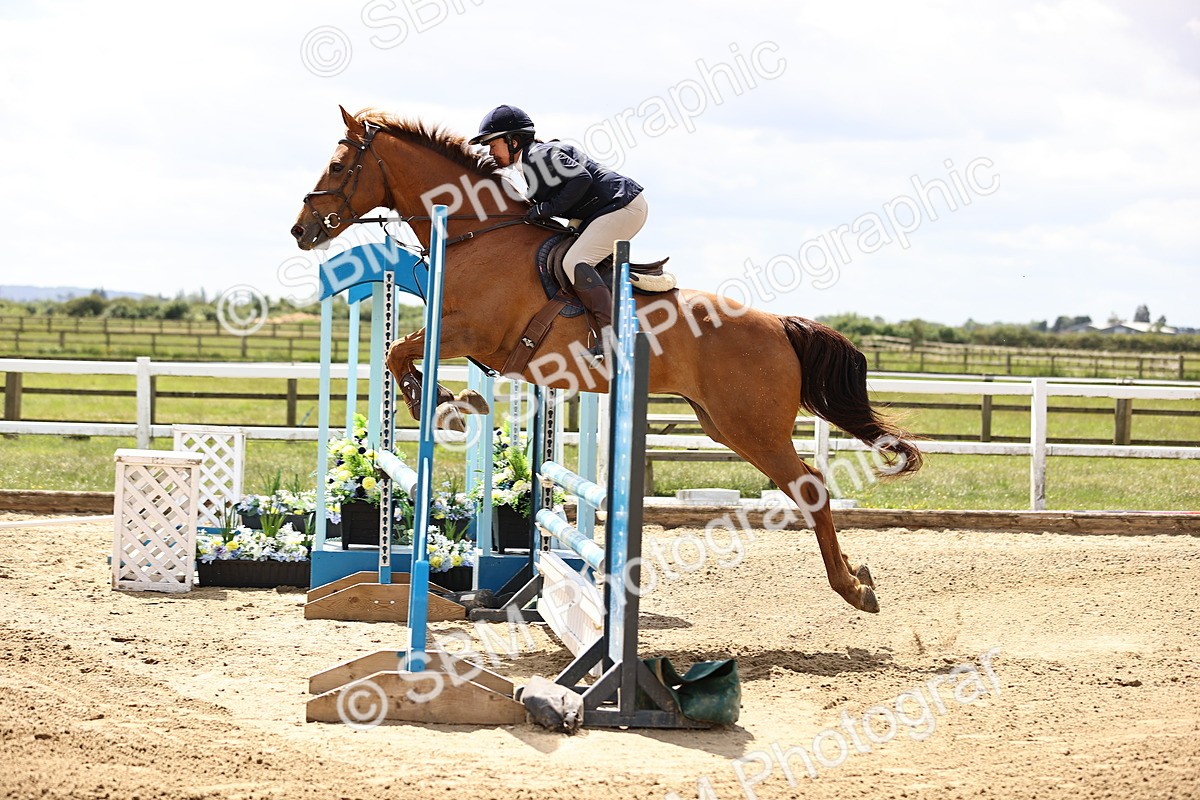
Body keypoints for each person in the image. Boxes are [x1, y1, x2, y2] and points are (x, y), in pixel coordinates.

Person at [469, 104, 648, 362]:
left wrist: (546, 208)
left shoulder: (539, 155)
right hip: (604, 208)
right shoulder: (531, 162)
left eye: (492, 144)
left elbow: (581, 178)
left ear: (513, 141)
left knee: (575, 261)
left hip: (623, 207)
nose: (490, 152)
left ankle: (615, 338)